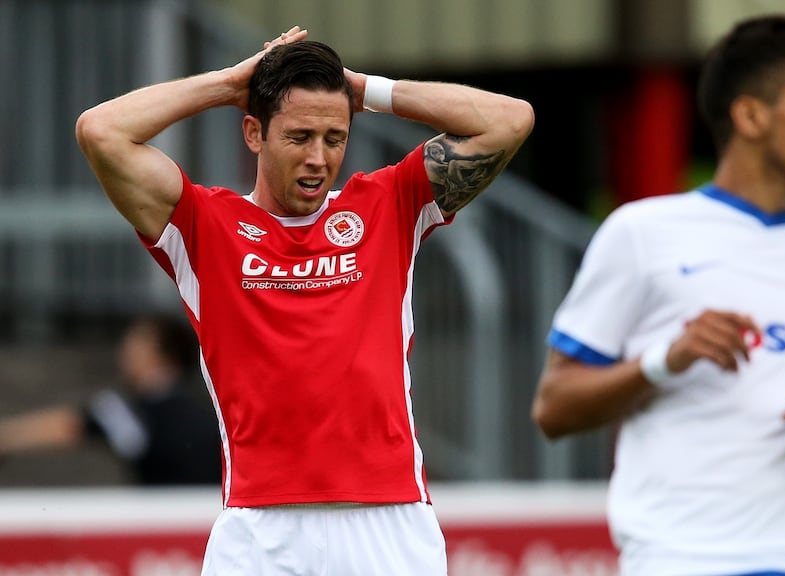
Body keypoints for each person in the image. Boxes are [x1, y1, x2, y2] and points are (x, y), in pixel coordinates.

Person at [75, 25, 533, 575]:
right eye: (299, 137)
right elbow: (101, 131)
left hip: (389, 523)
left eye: (334, 138)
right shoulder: (204, 223)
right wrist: (227, 83)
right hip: (260, 529)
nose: (319, 157)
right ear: (254, 133)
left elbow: (510, 121)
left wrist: (364, 90)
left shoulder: (388, 203)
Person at [531, 14, 785, 576]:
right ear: (751, 115)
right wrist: (663, 361)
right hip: (680, 560)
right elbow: (553, 409)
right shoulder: (641, 233)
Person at [0, 312, 221, 486]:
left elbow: (68, 426)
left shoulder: (129, 410)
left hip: (163, 527)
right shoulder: (213, 408)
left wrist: (7, 437)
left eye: (133, 345)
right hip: (208, 522)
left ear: (158, 352)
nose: (123, 354)